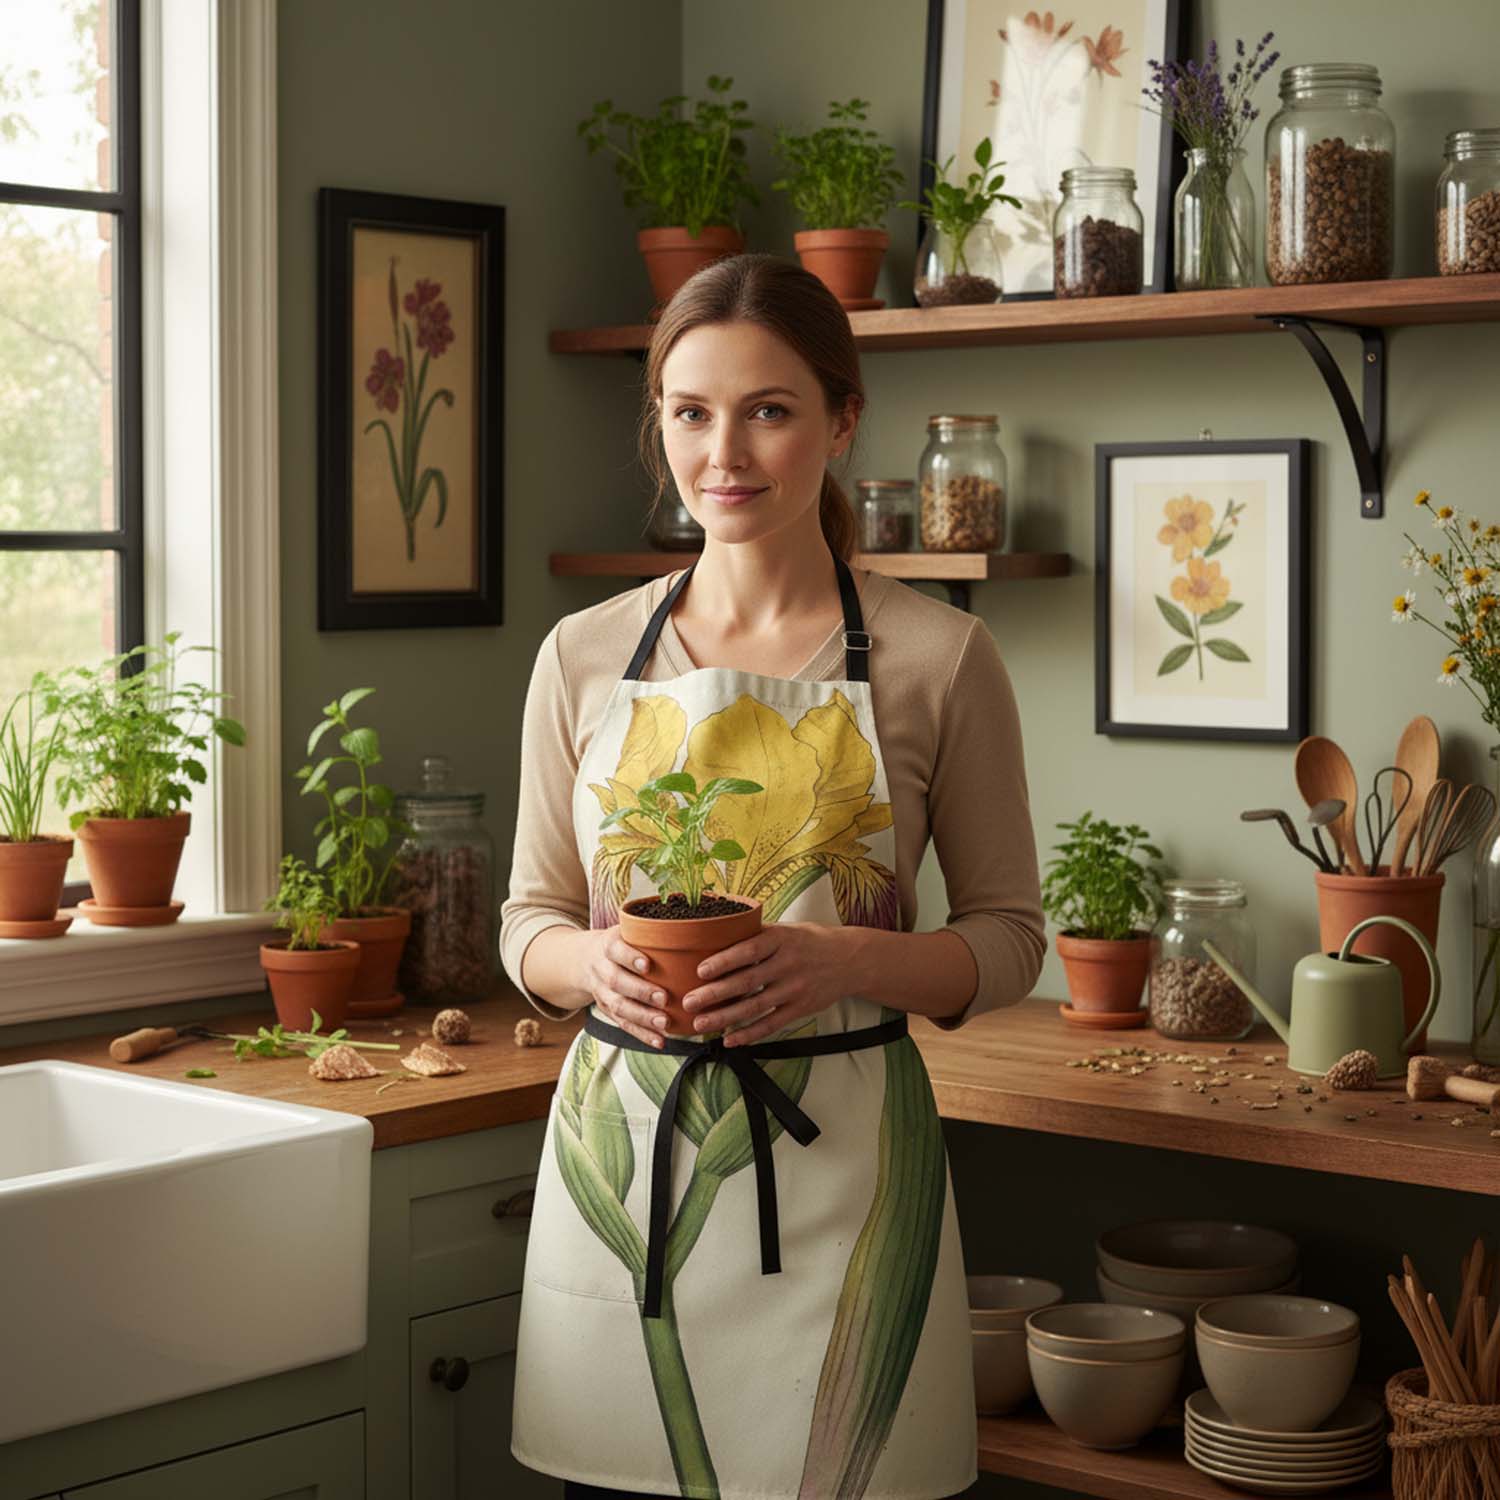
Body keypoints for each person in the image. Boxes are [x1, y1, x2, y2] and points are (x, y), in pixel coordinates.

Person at [499, 252, 1046, 1500]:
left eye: (770, 409)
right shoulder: (583, 655)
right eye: (690, 412)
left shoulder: (940, 658)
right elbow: (528, 917)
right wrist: (593, 967)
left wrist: (843, 960)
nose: (724, 453)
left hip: (847, 1180)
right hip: (626, 1167)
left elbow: (1011, 938)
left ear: (843, 420)